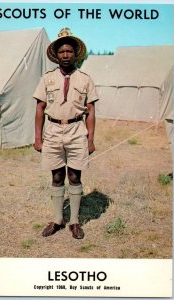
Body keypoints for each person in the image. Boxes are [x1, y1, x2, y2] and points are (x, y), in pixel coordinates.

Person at [33, 28, 99, 239]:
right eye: (62, 51)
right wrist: (37, 137)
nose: (65, 55)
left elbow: (91, 111)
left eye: (69, 51)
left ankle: (74, 222)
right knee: (57, 175)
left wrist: (90, 138)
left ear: (75, 53)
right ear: (56, 54)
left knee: (74, 174)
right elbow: (39, 108)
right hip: (52, 131)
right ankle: (57, 219)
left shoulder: (85, 79)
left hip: (76, 130)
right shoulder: (47, 79)